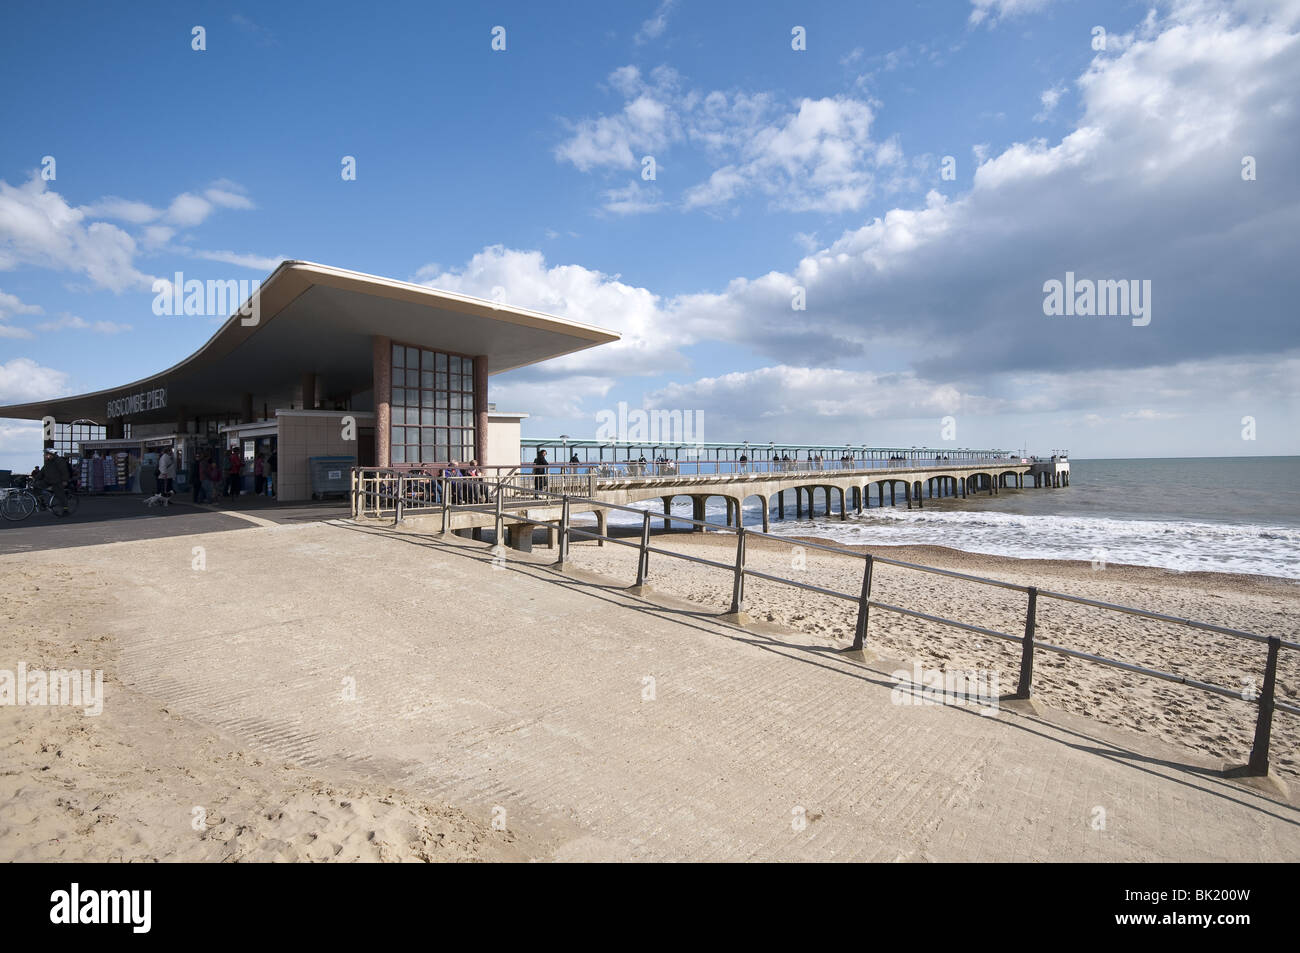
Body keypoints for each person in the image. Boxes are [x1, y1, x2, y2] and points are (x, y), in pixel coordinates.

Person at [40, 449, 71, 517]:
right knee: (36, 486)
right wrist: (35, 479)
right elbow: (42, 471)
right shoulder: (47, 462)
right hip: (48, 480)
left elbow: (64, 471)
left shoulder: (59, 461)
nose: (44, 456)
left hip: (57, 481)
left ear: (51, 454)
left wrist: (65, 480)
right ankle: (42, 502)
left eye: (46, 454)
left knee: (60, 495)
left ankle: (65, 510)